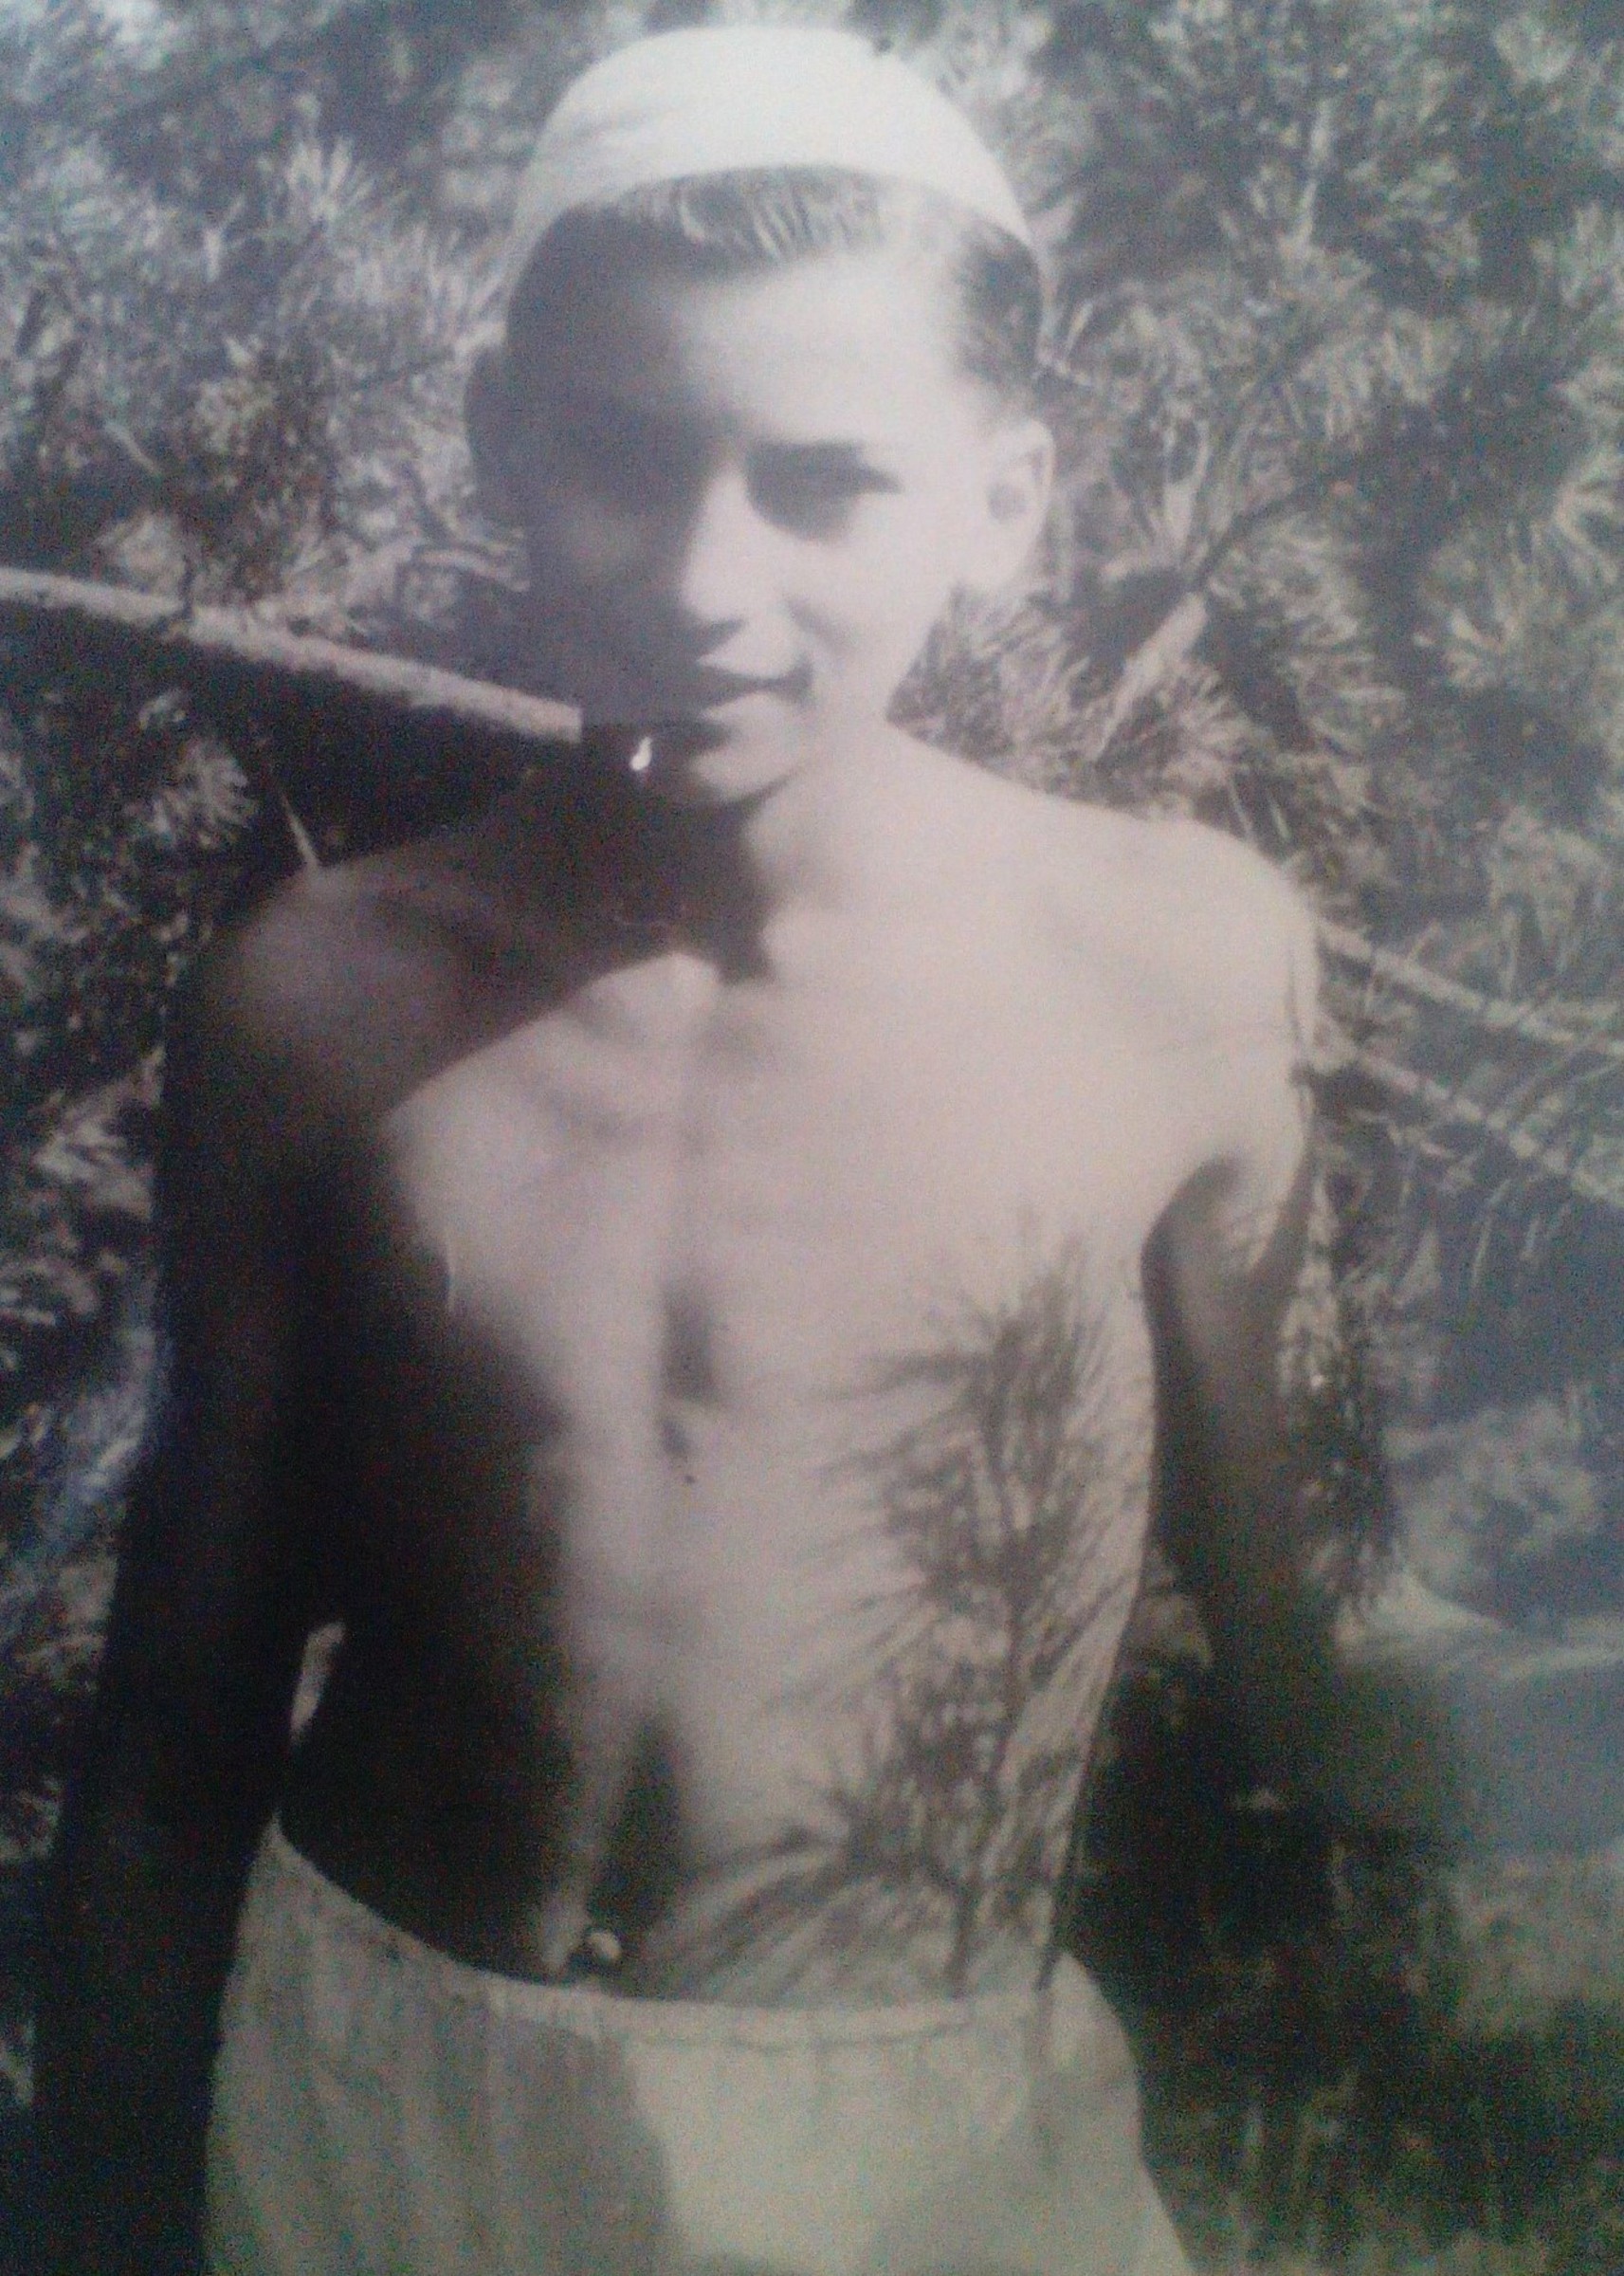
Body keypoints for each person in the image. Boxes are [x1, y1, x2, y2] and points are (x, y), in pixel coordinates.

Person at [33, 26, 1447, 2276]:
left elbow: (1318, 1666)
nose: (703, 580)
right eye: (620, 453)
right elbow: (173, 1742)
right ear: (500, 436)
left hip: (905, 2165)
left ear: (1002, 502)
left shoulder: (1172, 971)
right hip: (363, 2108)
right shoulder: (325, 1000)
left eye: (823, 482)